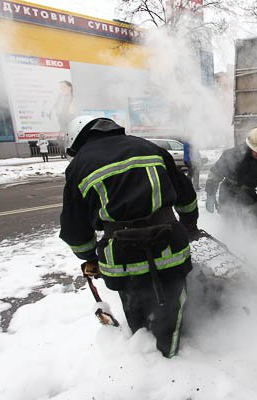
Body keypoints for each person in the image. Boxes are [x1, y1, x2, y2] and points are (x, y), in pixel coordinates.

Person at [59, 116, 198, 358]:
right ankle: (173, 359)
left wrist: (89, 256)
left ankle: (143, 362)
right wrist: (189, 225)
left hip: (123, 258)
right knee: (173, 312)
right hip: (169, 248)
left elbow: (75, 230)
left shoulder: (79, 166)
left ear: (76, 141)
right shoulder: (150, 148)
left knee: (136, 309)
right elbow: (186, 197)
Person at [205, 127, 257, 230]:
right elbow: (215, 175)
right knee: (232, 225)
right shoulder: (231, 155)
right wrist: (210, 194)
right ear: (250, 145)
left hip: (249, 194)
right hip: (228, 193)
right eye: (256, 150)